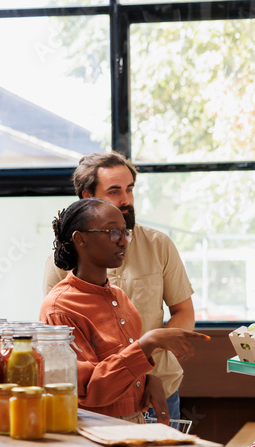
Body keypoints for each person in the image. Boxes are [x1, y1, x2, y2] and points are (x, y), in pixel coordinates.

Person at [43, 151, 194, 422]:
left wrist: (148, 360)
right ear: (88, 196)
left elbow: (184, 312)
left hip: (158, 385)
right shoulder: (60, 281)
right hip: (101, 406)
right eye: (114, 191)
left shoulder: (157, 246)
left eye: (130, 189)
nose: (126, 200)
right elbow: (65, 348)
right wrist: (142, 350)